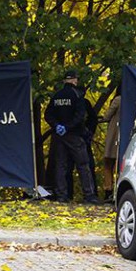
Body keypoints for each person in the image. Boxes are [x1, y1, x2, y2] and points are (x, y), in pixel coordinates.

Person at [44, 70, 101, 204]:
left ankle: (62, 195)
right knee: (83, 164)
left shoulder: (56, 96)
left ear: (64, 81)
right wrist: (68, 127)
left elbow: (48, 114)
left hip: (59, 136)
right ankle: (89, 195)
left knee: (61, 165)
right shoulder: (77, 95)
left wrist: (57, 125)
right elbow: (80, 116)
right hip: (74, 135)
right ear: (75, 80)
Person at [101, 91, 121, 203]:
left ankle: (108, 190)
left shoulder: (118, 100)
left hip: (114, 135)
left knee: (108, 164)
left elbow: (107, 116)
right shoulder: (134, 99)